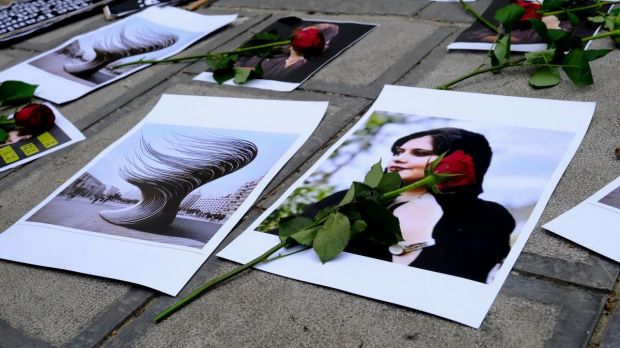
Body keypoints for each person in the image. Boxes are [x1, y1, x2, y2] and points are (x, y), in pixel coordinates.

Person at [302, 128, 515, 284]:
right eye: (398, 151)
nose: (400, 158)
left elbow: (468, 274)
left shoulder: (487, 216)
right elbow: (299, 233)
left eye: (419, 153)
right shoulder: (352, 198)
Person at [235, 23, 340, 82]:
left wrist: (240, 70)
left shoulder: (301, 64)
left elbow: (332, 29)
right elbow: (333, 28)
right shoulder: (281, 50)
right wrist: (315, 28)